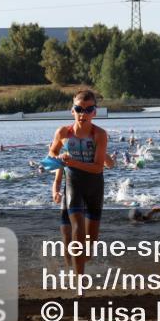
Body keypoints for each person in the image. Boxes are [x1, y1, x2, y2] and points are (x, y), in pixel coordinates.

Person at [48, 89, 108, 275]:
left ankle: (76, 265)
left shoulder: (99, 134)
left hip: (94, 186)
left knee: (89, 247)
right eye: (79, 109)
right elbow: (51, 154)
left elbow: (98, 167)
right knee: (75, 231)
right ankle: (78, 281)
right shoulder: (63, 132)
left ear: (95, 112)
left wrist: (72, 161)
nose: (83, 114)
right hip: (73, 183)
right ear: (72, 111)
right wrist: (59, 162)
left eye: (89, 110)